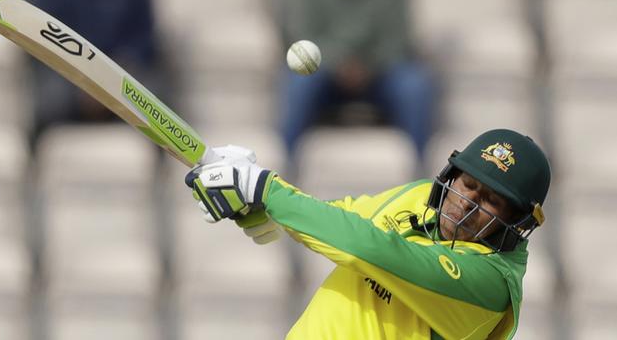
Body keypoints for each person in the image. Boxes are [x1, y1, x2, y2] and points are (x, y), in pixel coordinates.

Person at [184, 128, 551, 339]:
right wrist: (269, 210)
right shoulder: (419, 196)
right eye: (468, 184)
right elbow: (340, 219)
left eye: (491, 202)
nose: (468, 202)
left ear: (516, 223)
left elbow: (372, 249)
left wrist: (266, 190)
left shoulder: (490, 286)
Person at [276, 0, 439, 175]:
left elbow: (399, 41)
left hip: (379, 76)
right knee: (298, 82)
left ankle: (421, 171)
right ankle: (287, 169)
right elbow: (301, 38)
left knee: (415, 85)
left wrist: (367, 67)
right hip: (326, 73)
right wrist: (338, 63)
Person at [26, 0, 160, 147]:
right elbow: (43, 35)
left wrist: (112, 78)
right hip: (68, 77)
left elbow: (144, 38)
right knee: (49, 99)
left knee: (156, 105)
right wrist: (86, 83)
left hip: (123, 78)